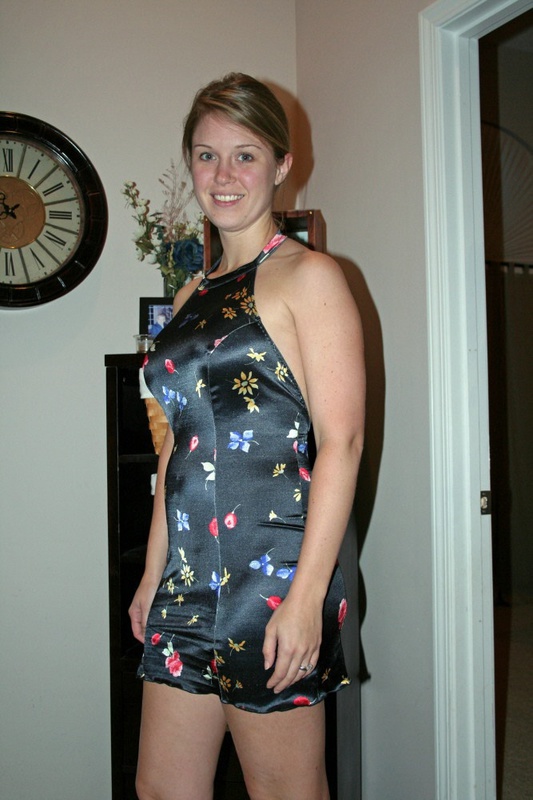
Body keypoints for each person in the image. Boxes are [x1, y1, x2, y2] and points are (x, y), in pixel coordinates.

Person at [129, 72, 365, 800]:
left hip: (270, 582)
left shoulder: (310, 277)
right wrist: (151, 573)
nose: (223, 175)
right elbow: (177, 446)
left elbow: (343, 443)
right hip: (185, 582)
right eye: (207, 156)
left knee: (285, 791)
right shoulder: (189, 295)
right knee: (161, 789)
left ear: (281, 165)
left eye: (245, 155)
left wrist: (306, 599)